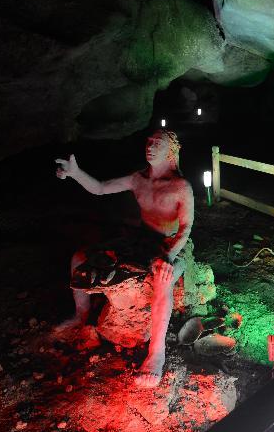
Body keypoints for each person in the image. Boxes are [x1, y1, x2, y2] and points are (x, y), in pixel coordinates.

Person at [55, 129, 194, 388]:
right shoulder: (138, 179)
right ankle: (80, 315)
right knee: (79, 257)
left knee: (162, 280)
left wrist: (168, 256)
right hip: (140, 240)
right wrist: (76, 173)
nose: (150, 146)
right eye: (149, 142)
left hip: (169, 244)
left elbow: (185, 229)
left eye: (158, 143)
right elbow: (99, 188)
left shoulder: (180, 187)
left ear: (171, 151)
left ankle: (157, 352)